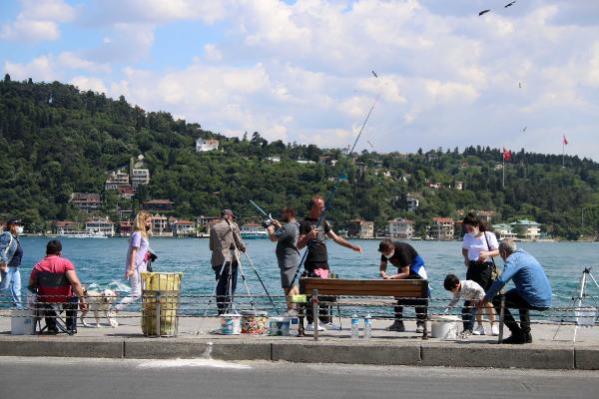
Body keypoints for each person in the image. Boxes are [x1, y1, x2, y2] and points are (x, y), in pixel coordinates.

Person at [297, 195, 363, 331]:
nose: (323, 209)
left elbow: (336, 238)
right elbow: (298, 245)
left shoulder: (324, 222)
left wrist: (352, 246)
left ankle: (325, 320)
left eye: (323, 207)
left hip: (324, 263)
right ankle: (311, 322)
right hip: (312, 263)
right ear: (314, 208)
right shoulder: (304, 224)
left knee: (326, 291)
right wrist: (309, 236)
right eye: (321, 207)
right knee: (311, 293)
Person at [478, 239, 552, 344]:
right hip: (546, 299)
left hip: (533, 299)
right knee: (518, 293)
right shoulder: (526, 255)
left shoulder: (512, 259)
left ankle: (517, 334)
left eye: (501, 255)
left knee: (496, 301)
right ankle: (526, 334)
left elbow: (502, 280)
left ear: (503, 253)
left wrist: (486, 298)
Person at [29, 240, 88, 334]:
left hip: (46, 303)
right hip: (64, 301)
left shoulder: (38, 266)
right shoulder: (66, 263)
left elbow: (31, 285)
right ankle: (70, 327)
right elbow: (75, 282)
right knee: (73, 297)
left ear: (46, 252)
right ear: (59, 252)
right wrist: (82, 300)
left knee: (47, 301)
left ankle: (51, 327)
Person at [378, 239, 428, 333]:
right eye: (384, 253)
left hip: (416, 268)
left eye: (387, 253)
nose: (386, 255)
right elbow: (383, 265)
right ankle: (398, 323)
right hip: (403, 268)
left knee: (419, 296)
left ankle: (421, 323)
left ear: (392, 249)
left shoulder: (402, 251)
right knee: (399, 294)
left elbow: (406, 272)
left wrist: (392, 278)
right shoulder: (385, 251)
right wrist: (383, 273)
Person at [461, 212, 499, 333]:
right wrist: (466, 259)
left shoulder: (488, 235)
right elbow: (464, 249)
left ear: (477, 225)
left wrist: (486, 254)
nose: (468, 230)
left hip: (485, 268)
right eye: (466, 228)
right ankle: (480, 326)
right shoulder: (467, 237)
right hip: (472, 268)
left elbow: (497, 251)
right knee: (473, 297)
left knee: (485, 298)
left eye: (470, 228)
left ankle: (493, 325)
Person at [210, 209, 246, 314]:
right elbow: (239, 241)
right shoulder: (233, 226)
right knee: (231, 285)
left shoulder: (214, 228)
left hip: (217, 260)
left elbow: (211, 247)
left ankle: (221, 310)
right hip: (231, 259)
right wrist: (243, 248)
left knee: (220, 285)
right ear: (229, 216)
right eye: (232, 217)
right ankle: (228, 310)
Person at [265, 207, 300, 313]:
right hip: (292, 259)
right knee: (293, 285)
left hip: (287, 260)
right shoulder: (295, 225)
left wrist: (270, 229)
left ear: (289, 213)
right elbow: (285, 234)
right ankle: (300, 306)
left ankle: (291, 310)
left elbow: (273, 238)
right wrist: (278, 225)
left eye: (283, 213)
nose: (281, 215)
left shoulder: (288, 227)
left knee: (287, 286)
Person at [115, 211, 152, 311]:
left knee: (146, 291)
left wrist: (148, 257)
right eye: (148, 222)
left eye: (150, 221)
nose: (150, 224)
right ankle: (114, 310)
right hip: (135, 267)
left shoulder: (143, 235)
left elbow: (141, 251)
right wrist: (131, 269)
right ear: (142, 222)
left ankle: (147, 314)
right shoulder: (137, 234)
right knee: (136, 294)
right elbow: (133, 252)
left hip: (142, 267)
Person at [0, 218, 25, 308]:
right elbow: (1, 249)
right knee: (3, 287)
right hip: (8, 267)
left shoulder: (15, 237)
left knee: (17, 289)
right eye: (17, 224)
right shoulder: (7, 235)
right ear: (11, 226)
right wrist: (3, 263)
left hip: (15, 267)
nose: (19, 226)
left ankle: (18, 308)